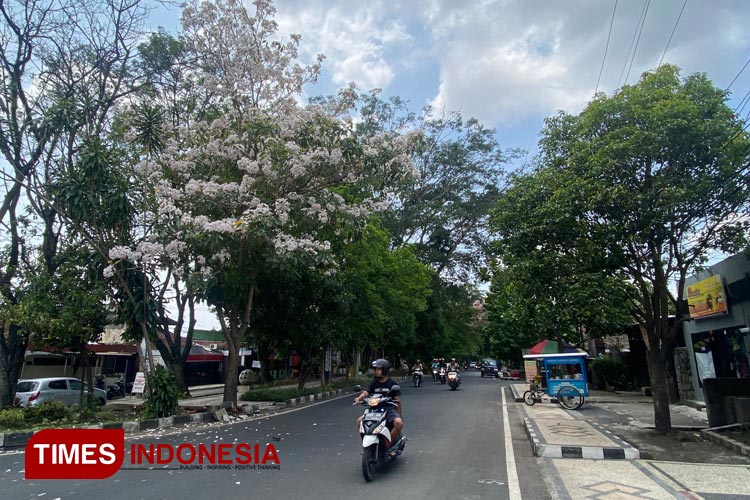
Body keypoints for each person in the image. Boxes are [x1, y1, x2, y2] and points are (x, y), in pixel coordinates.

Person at [354, 359, 404, 457]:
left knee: (398, 423)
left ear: (384, 370)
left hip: (389, 409)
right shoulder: (374, 382)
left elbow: (397, 400)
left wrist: (399, 414)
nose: (376, 371)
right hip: (374, 409)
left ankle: (390, 446)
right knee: (359, 421)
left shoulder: (392, 383)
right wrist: (359, 397)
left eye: (379, 369)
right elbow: (366, 391)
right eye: (375, 369)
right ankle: (366, 447)